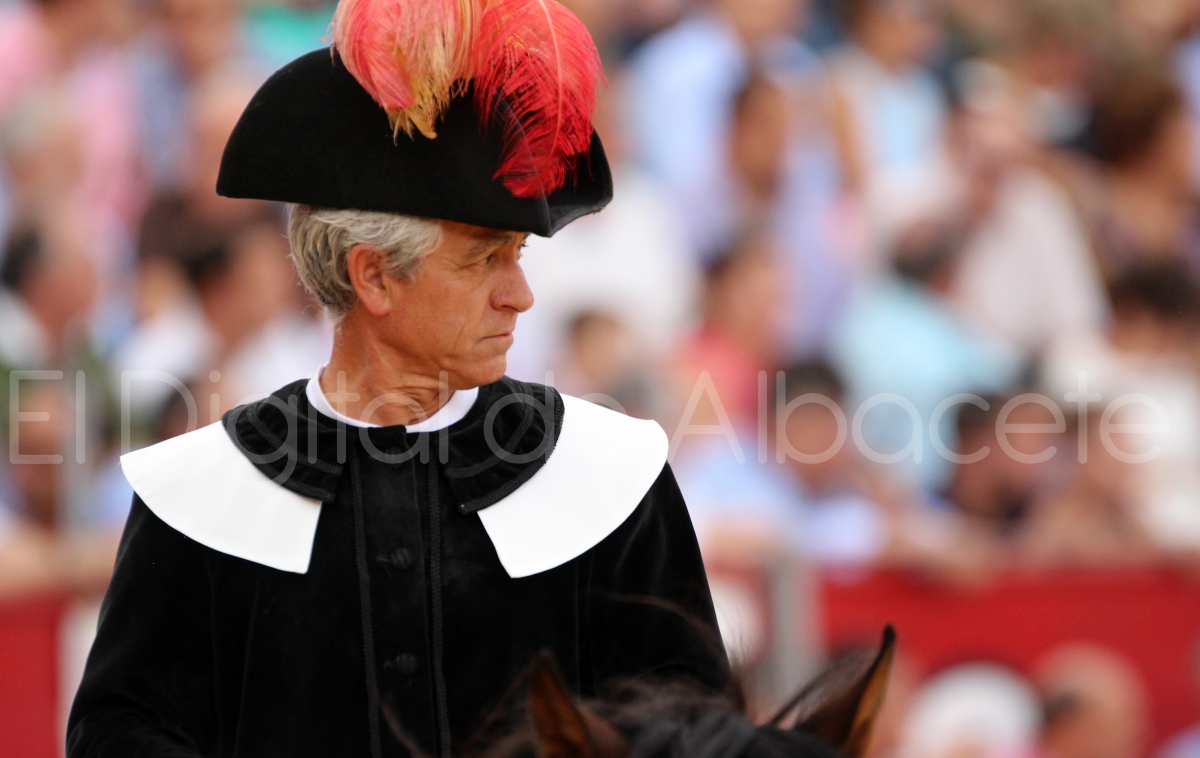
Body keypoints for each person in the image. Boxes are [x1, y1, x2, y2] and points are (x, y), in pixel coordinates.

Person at [66, 3, 728, 758]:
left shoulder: (614, 480)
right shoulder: (199, 495)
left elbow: (694, 736)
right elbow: (118, 739)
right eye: (484, 259)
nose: (521, 294)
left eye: (516, 255)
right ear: (375, 277)